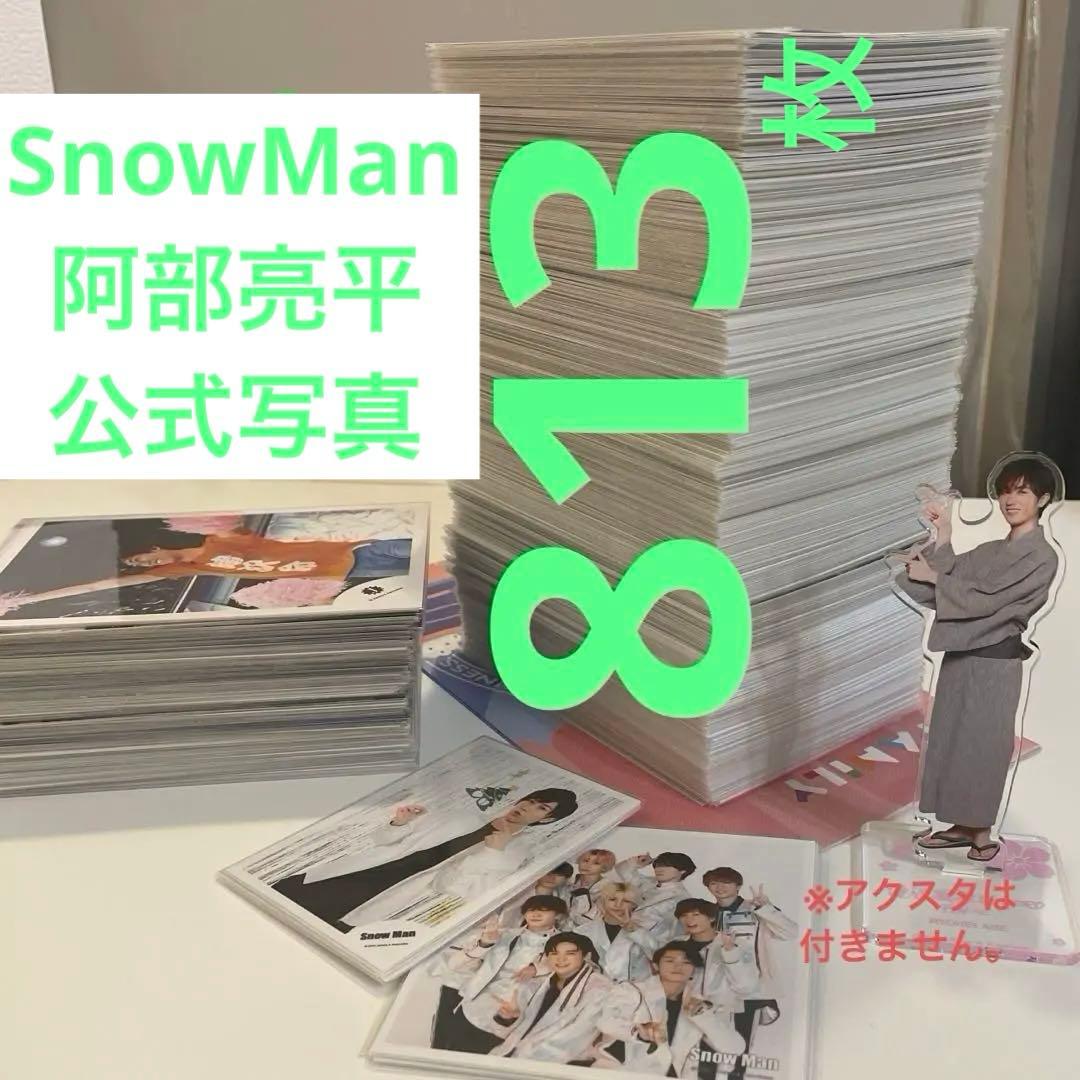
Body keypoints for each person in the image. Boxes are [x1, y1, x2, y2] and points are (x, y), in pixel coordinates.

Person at [896, 456, 1060, 862]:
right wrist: (944, 532)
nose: (1010, 500)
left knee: (985, 744)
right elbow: (950, 579)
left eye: (1022, 491)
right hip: (960, 657)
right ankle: (959, 825)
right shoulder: (989, 550)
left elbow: (990, 600)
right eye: (1005, 491)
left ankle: (982, 831)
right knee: (951, 738)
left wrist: (937, 578)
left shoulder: (1043, 556)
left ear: (1043, 498)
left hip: (995, 662)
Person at [269, 788, 578, 931]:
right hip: (351, 872)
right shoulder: (462, 816)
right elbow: (384, 841)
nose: (528, 807)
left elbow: (452, 889)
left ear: (547, 820)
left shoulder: (514, 854)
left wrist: (491, 852)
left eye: (541, 808)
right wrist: (399, 823)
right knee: (276, 897)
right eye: (530, 800)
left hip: (380, 896)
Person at [7, 525, 413, 605]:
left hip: (364, 549)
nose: (145, 563)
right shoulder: (187, 569)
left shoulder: (214, 538)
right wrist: (25, 599)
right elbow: (97, 586)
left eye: (142, 557)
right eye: (138, 564)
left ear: (155, 547)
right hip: (350, 571)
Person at [432, 895, 568, 1053]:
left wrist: (537, 968)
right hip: (472, 1007)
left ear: (558, 915)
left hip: (509, 1017)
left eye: (543, 910)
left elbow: (569, 970)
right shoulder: (502, 934)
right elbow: (455, 964)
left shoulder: (565, 945)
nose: (535, 914)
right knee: (441, 1054)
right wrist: (484, 944)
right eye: (531, 910)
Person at [700, 871, 796, 1080]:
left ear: (738, 886)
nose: (719, 887)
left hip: (750, 989)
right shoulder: (704, 913)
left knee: (741, 1044)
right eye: (714, 883)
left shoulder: (756, 910)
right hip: (713, 988)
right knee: (708, 1042)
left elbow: (790, 932)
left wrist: (765, 908)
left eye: (726, 882)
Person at [602, 941, 748, 1078]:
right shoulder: (630, 991)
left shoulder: (699, 1004)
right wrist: (639, 1033)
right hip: (628, 1073)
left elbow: (735, 1047)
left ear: (693, 970)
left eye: (686, 962)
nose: (678, 966)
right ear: (655, 966)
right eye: (670, 961)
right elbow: (607, 1022)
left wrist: (703, 1016)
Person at [489, 932, 621, 1064]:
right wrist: (509, 1017)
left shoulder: (601, 989)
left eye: (570, 954)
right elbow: (514, 1027)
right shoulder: (540, 981)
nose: (561, 959)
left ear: (587, 956)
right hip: (519, 1051)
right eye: (554, 953)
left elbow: (577, 1036)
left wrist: (525, 1057)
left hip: (566, 1061)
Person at [574, 881, 659, 982]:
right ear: (603, 902)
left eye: (626, 901)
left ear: (634, 905)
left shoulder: (649, 927)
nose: (618, 905)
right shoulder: (582, 931)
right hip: (596, 987)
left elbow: (658, 955)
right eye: (612, 899)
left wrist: (632, 928)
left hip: (635, 988)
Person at [614, 851, 697, 942]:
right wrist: (636, 862)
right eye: (658, 865)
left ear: (682, 871)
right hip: (618, 933)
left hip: (639, 942)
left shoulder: (682, 899)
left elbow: (671, 932)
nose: (659, 869)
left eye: (667, 866)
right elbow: (622, 872)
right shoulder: (648, 882)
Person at [498, 862, 574, 928]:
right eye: (547, 873)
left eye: (558, 875)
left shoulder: (565, 894)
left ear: (566, 878)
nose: (551, 878)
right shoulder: (519, 896)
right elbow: (506, 920)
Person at [567, 848, 617, 922]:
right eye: (586, 860)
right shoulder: (569, 882)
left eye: (596, 863)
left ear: (604, 868)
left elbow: (594, 916)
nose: (587, 865)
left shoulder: (608, 888)